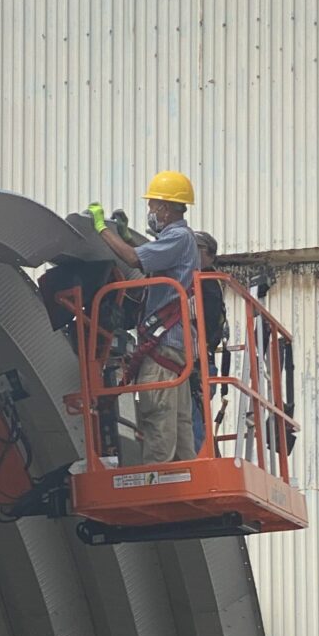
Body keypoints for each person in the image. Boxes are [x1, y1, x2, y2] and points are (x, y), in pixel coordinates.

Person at [86, 170, 199, 464]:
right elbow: (149, 258)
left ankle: (157, 481)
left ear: (165, 207)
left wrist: (102, 228)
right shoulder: (180, 240)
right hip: (175, 346)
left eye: (152, 206)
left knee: (158, 418)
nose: (150, 211)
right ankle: (185, 480)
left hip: (163, 345)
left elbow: (135, 260)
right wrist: (124, 236)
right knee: (179, 424)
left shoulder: (177, 236)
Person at [190, 231, 228, 451]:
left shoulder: (206, 283)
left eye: (196, 249)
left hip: (200, 364)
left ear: (210, 254)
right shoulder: (205, 282)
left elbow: (204, 321)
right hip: (201, 364)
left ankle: (199, 460)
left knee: (193, 420)